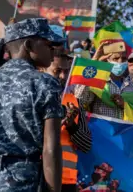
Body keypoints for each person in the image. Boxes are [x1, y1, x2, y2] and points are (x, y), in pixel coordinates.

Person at [0, 18, 65, 192]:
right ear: (28, 45)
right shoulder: (45, 84)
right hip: (21, 181)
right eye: (48, 44)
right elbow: (51, 148)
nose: (53, 50)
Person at [43, 51, 93, 192]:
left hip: (66, 180)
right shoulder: (34, 99)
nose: (62, 76)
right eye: (57, 71)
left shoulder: (73, 102)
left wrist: (72, 126)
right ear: (43, 70)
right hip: (40, 177)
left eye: (66, 71)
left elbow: (86, 145)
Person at [75, 43, 133, 119]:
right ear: (107, 59)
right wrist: (93, 63)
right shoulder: (97, 81)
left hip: (123, 130)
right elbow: (80, 100)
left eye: (124, 58)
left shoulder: (132, 85)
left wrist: (124, 105)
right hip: (102, 129)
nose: (120, 62)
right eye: (116, 58)